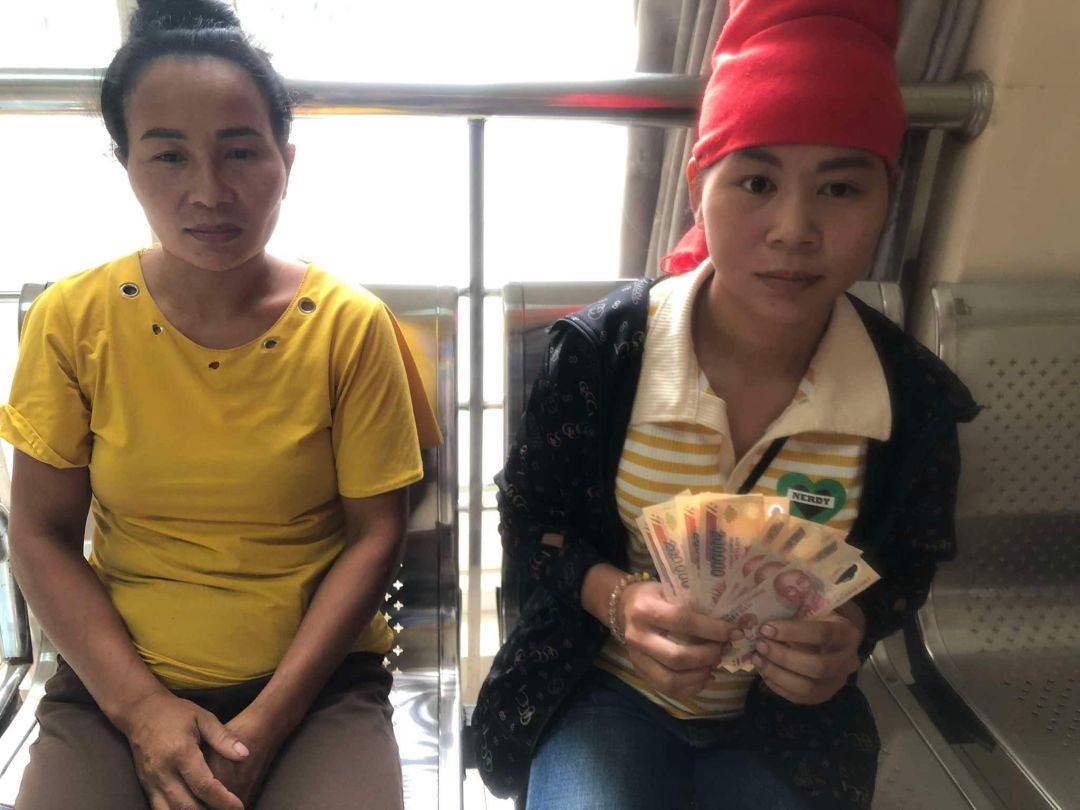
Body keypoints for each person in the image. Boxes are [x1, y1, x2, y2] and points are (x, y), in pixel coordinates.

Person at [471, 1, 978, 808]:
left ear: (890, 194)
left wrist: (850, 632)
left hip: (787, 724)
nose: (794, 229)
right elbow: (533, 519)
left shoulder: (909, 398)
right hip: (604, 692)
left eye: (840, 187)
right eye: (756, 182)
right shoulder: (606, 356)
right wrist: (618, 601)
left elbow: (909, 558)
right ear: (696, 184)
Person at [1, 1, 440, 808]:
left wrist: (268, 722)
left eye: (240, 151)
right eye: (169, 156)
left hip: (317, 688)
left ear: (285, 161)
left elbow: (375, 536)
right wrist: (142, 710)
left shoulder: (350, 328)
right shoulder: (74, 321)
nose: (209, 192)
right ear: (126, 163)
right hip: (114, 684)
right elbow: (40, 533)